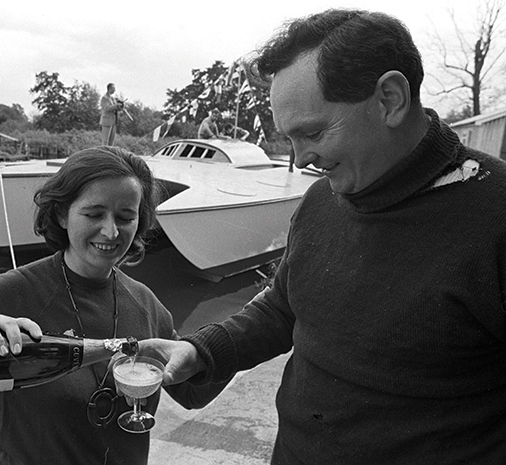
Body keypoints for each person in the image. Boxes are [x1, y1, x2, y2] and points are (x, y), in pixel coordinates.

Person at [139, 8, 506, 464]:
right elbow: (283, 307)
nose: (299, 160)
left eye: (312, 132)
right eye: (289, 139)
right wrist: (200, 350)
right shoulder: (318, 202)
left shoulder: (496, 217)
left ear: (390, 99)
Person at [0, 147, 227, 465]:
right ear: (62, 213)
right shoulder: (18, 291)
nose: (111, 231)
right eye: (94, 214)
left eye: (126, 217)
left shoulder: (147, 306)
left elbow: (191, 394)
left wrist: (240, 333)